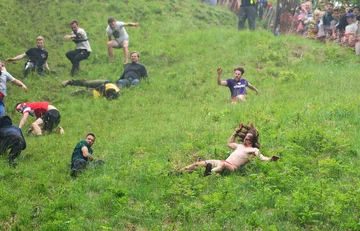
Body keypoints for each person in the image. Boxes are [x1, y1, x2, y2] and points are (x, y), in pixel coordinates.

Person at [183, 123, 279, 176]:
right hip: (223, 161)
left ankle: (210, 173)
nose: (246, 138)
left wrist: (271, 159)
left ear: (251, 140)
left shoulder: (254, 150)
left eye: (248, 137)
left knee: (223, 164)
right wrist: (236, 132)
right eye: (245, 136)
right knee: (199, 164)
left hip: (232, 167)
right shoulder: (239, 146)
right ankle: (181, 171)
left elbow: (261, 158)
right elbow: (229, 143)